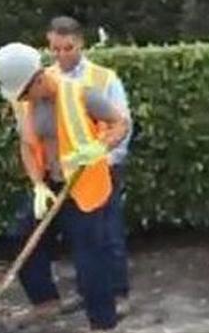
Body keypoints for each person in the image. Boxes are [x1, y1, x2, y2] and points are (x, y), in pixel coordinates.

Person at [0, 42, 129, 333]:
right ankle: (45, 302)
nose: (22, 99)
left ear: (38, 78)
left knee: (89, 254)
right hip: (51, 184)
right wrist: (37, 185)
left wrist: (101, 146)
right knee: (20, 235)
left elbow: (121, 123)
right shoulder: (26, 103)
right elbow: (27, 145)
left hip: (85, 183)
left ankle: (103, 324)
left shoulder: (81, 93)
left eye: (24, 92)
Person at [33, 16, 135, 315]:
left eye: (68, 48)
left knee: (108, 234)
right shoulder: (44, 80)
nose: (62, 55)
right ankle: (88, 292)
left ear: (80, 44)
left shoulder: (102, 78)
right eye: (55, 49)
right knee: (81, 237)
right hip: (65, 171)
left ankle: (118, 294)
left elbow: (121, 121)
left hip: (102, 166)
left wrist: (106, 158)